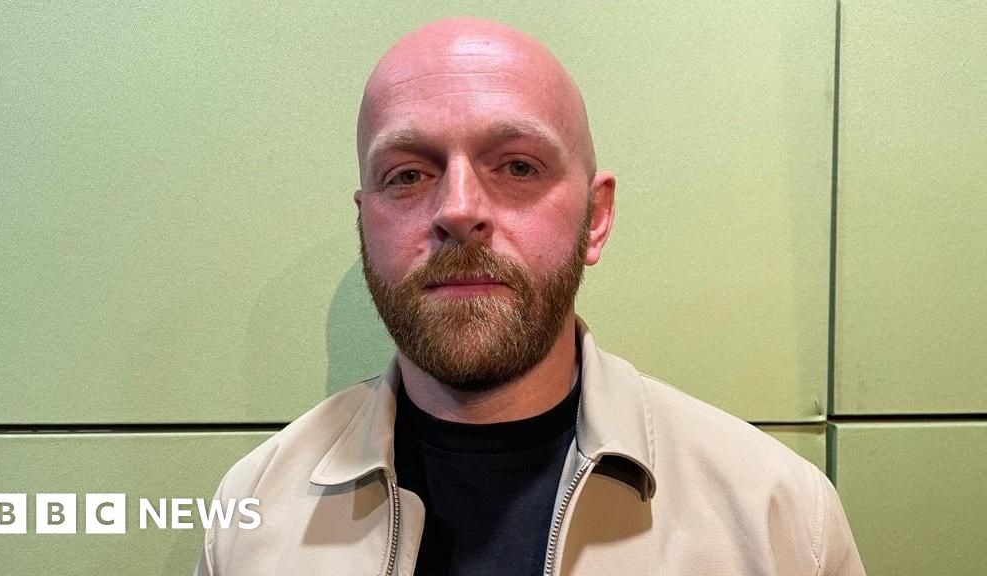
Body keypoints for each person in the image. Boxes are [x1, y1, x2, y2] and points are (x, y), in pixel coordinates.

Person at [194, 17, 865, 576]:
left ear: (596, 218)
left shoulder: (780, 522)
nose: (459, 210)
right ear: (365, 220)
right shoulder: (251, 518)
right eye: (408, 174)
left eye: (518, 166)